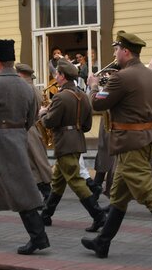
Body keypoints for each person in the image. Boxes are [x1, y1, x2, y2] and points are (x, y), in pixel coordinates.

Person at [82, 31, 152, 266]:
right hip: (145, 139)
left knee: (148, 193)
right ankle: (103, 242)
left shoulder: (121, 78)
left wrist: (93, 86)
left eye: (116, 50)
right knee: (119, 195)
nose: (114, 54)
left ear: (125, 51)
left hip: (128, 142)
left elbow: (97, 103)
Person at [0, 39, 50, 255]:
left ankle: (38, 236)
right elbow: (32, 117)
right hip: (18, 136)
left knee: (19, 187)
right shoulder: (26, 85)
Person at [39, 59, 106, 232]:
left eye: (57, 74)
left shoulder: (60, 97)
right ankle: (46, 215)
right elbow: (87, 126)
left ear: (62, 76)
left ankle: (99, 217)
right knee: (58, 181)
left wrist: (43, 114)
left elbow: (50, 122)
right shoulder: (83, 95)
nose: (56, 77)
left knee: (76, 181)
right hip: (77, 141)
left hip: (64, 143)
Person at [16, 63, 55, 201]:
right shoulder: (34, 89)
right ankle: (43, 194)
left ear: (21, 75)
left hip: (27, 130)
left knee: (34, 163)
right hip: (32, 129)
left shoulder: (24, 90)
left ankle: (46, 194)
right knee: (36, 162)